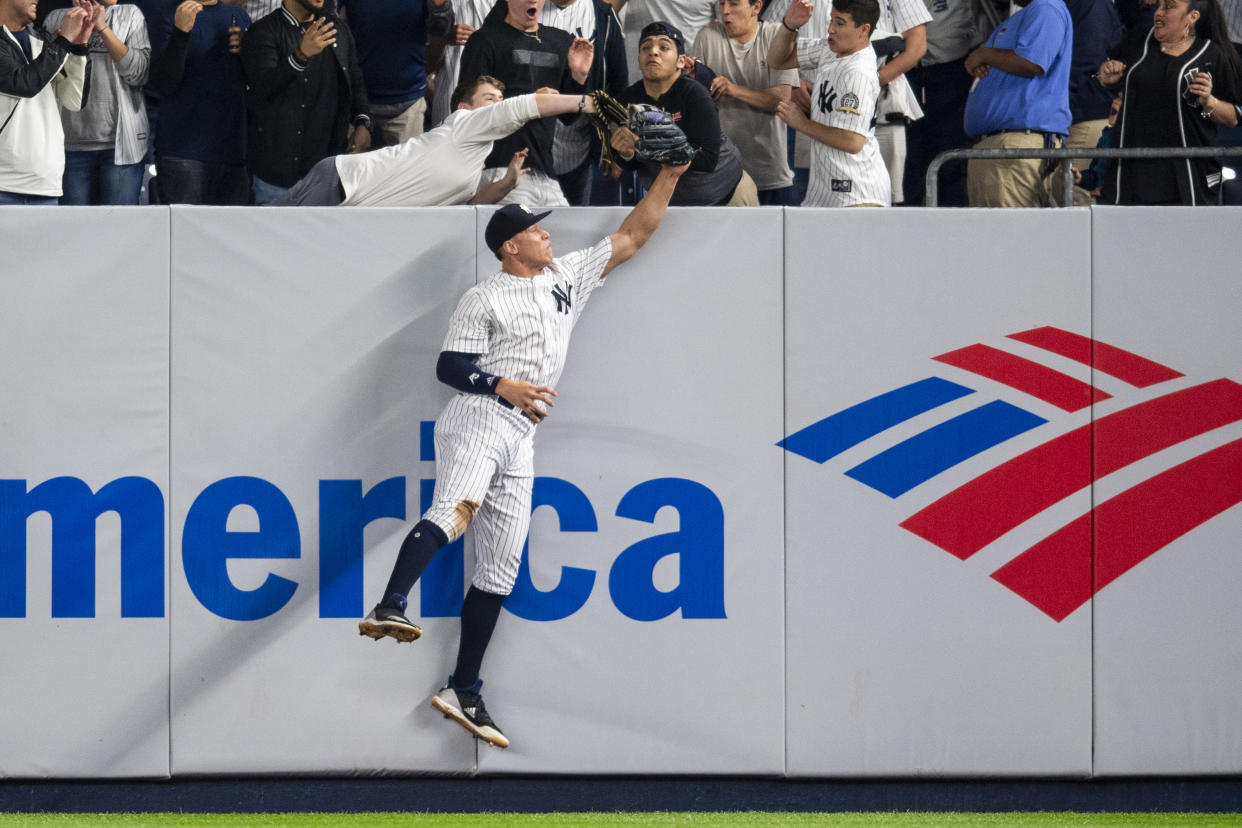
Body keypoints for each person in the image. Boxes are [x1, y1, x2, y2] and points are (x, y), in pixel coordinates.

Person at [358, 162, 689, 750]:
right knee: (455, 510)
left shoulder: (566, 275)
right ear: (511, 246)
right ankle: (390, 603)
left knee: (500, 569)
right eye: (535, 230)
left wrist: (669, 174)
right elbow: (449, 366)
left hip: (522, 435)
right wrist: (499, 384)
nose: (546, 234)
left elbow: (635, 234)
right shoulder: (484, 296)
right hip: (479, 419)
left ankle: (463, 688)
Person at [270, 75, 603, 205]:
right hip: (340, 182)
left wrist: (506, 184)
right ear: (463, 107)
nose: (496, 106)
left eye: (498, 99)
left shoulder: (473, 158)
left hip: (349, 205)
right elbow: (523, 107)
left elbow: (471, 201)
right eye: (490, 99)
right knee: (258, 234)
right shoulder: (465, 124)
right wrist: (587, 102)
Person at [1098, 0, 1242, 205]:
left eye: (1169, 7)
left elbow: (1234, 117)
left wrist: (1210, 104)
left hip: (1188, 174)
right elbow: (1105, 76)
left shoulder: (1215, 55)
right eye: (1158, 6)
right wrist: (1106, 77)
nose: (1158, 12)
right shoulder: (1138, 41)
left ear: (1193, 17)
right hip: (1130, 169)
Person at [457, 0, 595, 207]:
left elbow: (569, 117)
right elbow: (471, 110)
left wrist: (579, 77)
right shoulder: (485, 40)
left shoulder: (560, 41)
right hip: (499, 168)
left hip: (546, 172)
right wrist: (531, 102)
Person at [611, 21, 757, 205]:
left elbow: (707, 160)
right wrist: (626, 154)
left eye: (664, 47)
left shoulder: (695, 95)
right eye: (646, 47)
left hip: (728, 195)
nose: (653, 52)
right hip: (671, 202)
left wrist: (644, 145)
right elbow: (634, 163)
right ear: (639, 59)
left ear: (681, 61)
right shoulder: (627, 101)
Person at [240, 0, 371, 204]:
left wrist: (363, 122)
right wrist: (300, 56)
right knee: (272, 236)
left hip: (327, 174)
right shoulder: (263, 32)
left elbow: (355, 80)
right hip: (276, 178)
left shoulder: (337, 30)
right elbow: (263, 89)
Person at [767, 0, 892, 206]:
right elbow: (776, 60)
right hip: (829, 192)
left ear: (863, 30)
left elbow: (853, 142)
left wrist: (802, 124)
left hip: (858, 194)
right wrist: (790, 25)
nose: (831, 29)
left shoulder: (858, 72)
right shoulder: (831, 49)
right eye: (831, 20)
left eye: (840, 23)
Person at [961, 0, 1073, 208]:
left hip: (1016, 147)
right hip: (1004, 149)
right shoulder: (1025, 14)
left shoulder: (1046, 6)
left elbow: (1032, 62)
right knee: (994, 237)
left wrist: (983, 54)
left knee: (1010, 237)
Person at [692, 0, 799, 204]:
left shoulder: (777, 36)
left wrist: (733, 90)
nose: (725, 11)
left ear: (756, 7)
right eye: (721, 3)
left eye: (733, 4)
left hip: (770, 174)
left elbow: (782, 100)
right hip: (722, 176)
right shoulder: (706, 36)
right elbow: (696, 99)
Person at [44, 0, 149, 204]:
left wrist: (102, 28)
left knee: (119, 230)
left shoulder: (130, 15)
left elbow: (138, 74)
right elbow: (45, 78)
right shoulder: (57, 18)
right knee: (74, 231)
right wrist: (65, 38)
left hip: (121, 150)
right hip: (69, 148)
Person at [148, 0, 251, 204]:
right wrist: (181, 33)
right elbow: (163, 84)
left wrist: (248, 52)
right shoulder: (167, 14)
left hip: (233, 151)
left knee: (229, 234)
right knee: (184, 234)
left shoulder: (239, 17)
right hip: (183, 152)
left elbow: (252, 81)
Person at [0, 0, 91, 205]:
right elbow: (25, 85)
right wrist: (64, 40)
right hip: (4, 184)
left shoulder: (42, 39)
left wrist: (78, 46)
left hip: (46, 184)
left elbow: (74, 100)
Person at [539, 0, 627, 205]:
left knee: (575, 223)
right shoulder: (524, 6)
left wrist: (614, 149)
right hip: (530, 143)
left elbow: (618, 82)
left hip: (579, 142)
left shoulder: (602, 14)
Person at [336, 0, 453, 149]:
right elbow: (334, 24)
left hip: (407, 102)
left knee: (408, 170)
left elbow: (440, 29)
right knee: (351, 170)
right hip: (358, 102)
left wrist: (440, 8)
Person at [1063, 0, 1122, 205]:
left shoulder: (1090, 3)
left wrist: (1064, 110)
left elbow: (1088, 65)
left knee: (1079, 219)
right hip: (1081, 116)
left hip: (1083, 120)